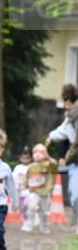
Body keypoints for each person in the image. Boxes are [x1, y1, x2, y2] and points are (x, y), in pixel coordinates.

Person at [47, 83, 77, 219]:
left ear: (68, 101)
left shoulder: (73, 115)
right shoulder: (70, 116)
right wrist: (50, 137)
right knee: (74, 192)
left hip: (75, 157)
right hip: (75, 159)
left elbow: (64, 131)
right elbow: (63, 130)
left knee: (75, 192)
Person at [24, 143, 58, 235]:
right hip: (34, 192)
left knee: (44, 212)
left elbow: (55, 165)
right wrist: (24, 186)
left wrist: (48, 157)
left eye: (41, 152)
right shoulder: (31, 166)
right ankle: (29, 224)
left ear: (46, 154)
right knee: (31, 207)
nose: (38, 154)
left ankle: (45, 227)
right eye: (35, 152)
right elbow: (27, 178)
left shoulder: (48, 165)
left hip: (45, 192)